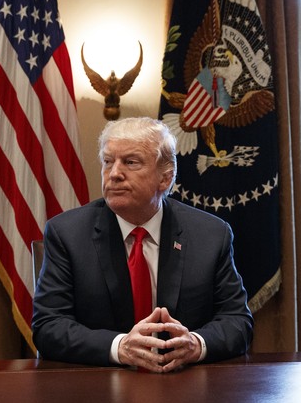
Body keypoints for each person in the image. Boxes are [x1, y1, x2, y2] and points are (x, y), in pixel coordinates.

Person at [32, 116, 253, 372]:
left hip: (183, 385)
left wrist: (195, 344)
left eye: (130, 162)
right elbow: (48, 326)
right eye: (107, 162)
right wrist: (120, 346)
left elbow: (237, 321)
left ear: (165, 178)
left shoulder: (210, 234)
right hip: (98, 389)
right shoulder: (67, 234)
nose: (114, 174)